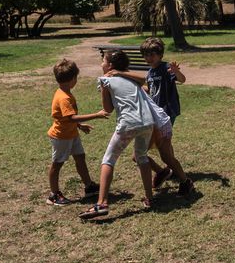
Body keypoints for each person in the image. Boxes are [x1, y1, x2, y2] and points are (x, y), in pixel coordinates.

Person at [109, 37, 194, 195]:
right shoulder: (151, 72)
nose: (149, 58)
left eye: (152, 55)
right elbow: (149, 86)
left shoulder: (165, 68)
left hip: (166, 114)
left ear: (160, 55)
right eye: (146, 55)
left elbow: (182, 80)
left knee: (154, 153)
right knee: (161, 151)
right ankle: (169, 172)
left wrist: (176, 72)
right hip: (155, 115)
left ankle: (176, 177)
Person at [79, 50, 156, 219]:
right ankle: (150, 198)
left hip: (128, 124)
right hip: (148, 122)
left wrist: (104, 90)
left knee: (108, 160)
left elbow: (107, 109)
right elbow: (145, 82)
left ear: (110, 65)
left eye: (103, 61)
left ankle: (102, 203)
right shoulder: (130, 78)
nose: (101, 64)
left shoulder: (105, 80)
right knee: (142, 157)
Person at [46, 59, 108, 205]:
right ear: (73, 79)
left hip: (71, 133)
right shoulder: (64, 98)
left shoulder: (64, 92)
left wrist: (79, 126)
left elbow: (68, 118)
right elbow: (71, 117)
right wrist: (96, 115)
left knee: (80, 157)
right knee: (57, 164)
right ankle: (53, 195)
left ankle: (89, 186)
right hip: (61, 136)